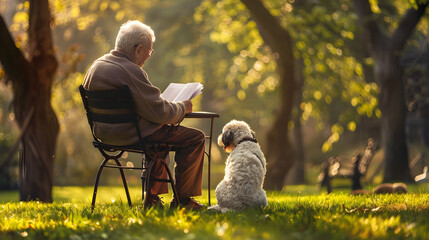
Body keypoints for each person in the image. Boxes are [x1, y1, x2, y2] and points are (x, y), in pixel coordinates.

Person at [83, 20, 205, 210]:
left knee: (159, 135)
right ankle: (183, 201)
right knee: (195, 138)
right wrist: (182, 107)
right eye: (148, 52)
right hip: (132, 134)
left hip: (104, 134)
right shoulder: (130, 70)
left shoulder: (95, 67)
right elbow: (160, 112)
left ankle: (153, 199)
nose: (148, 57)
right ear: (138, 49)